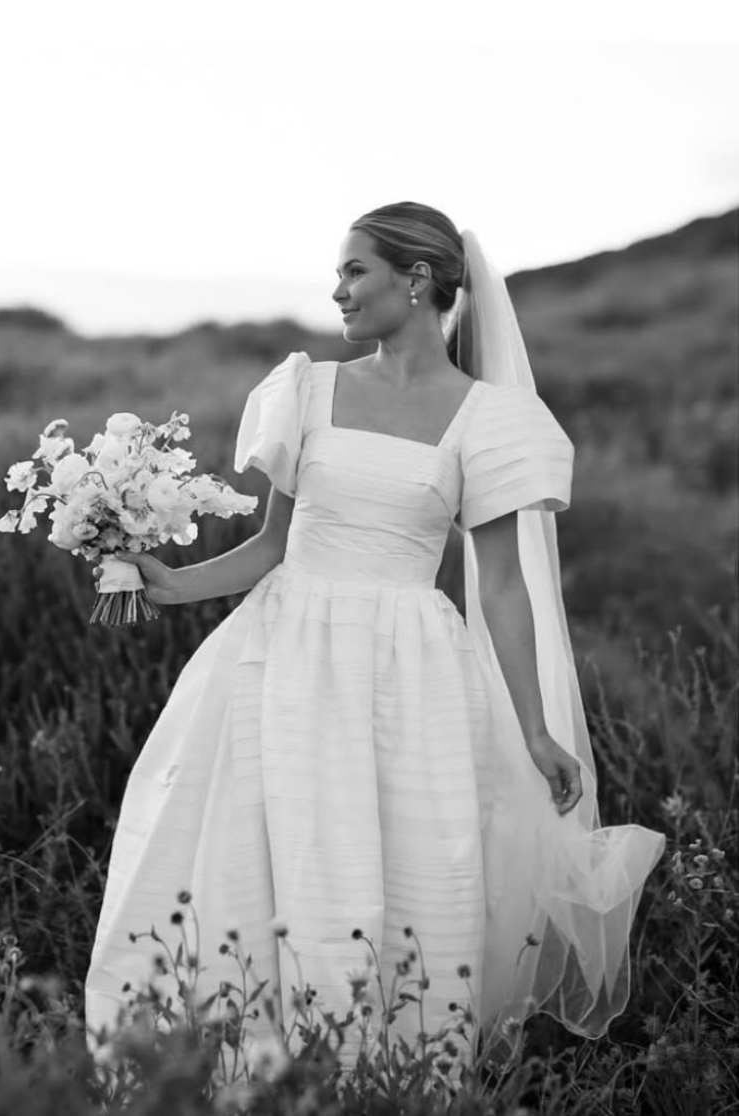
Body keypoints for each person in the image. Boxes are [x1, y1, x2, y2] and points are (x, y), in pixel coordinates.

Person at [84, 202, 665, 1073]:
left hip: (409, 672)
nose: (337, 290)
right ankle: (229, 1065)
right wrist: (173, 586)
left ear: (418, 279)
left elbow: (500, 587)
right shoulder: (307, 387)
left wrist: (535, 728)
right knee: (239, 852)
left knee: (396, 870)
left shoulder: (489, 418)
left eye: (354, 270)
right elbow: (272, 548)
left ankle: (375, 1073)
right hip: (280, 656)